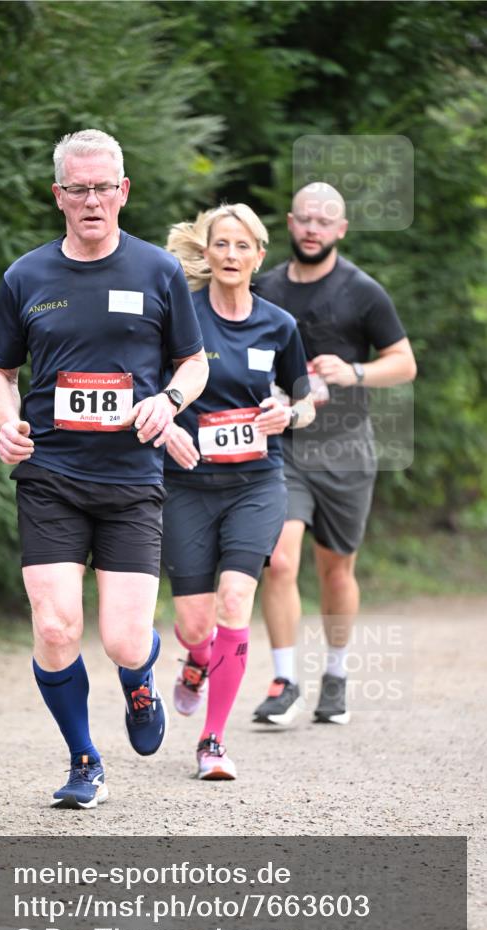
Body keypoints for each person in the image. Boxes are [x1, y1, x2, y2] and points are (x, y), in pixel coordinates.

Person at [0, 129, 208, 808]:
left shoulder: (157, 272)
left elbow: (192, 364)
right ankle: (83, 758)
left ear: (123, 191)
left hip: (131, 480)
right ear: (58, 196)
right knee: (54, 626)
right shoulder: (26, 277)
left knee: (122, 637)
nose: (90, 199)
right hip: (49, 472)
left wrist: (167, 404)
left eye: (102, 187)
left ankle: (139, 680)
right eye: (76, 188)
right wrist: (7, 421)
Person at [251, 182, 417, 727]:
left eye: (325, 221)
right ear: (291, 223)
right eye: (304, 218)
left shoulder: (363, 291)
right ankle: (285, 681)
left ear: (340, 230)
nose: (313, 229)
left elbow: (404, 362)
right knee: (278, 560)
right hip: (285, 444)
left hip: (346, 447)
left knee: (336, 569)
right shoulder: (267, 287)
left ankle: (337, 675)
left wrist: (357, 372)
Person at [163, 204, 314, 780]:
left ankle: (212, 742)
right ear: (206, 253)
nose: (230, 255)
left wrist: (287, 413)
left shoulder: (279, 325)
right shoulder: (182, 320)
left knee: (234, 604)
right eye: (220, 245)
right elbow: (156, 389)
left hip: (256, 481)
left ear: (258, 255)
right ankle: (196, 661)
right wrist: (170, 425)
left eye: (241, 246)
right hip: (188, 486)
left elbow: (303, 400)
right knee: (195, 624)